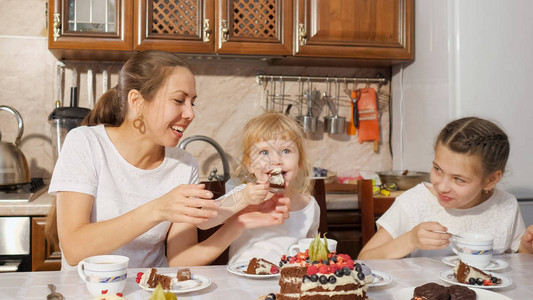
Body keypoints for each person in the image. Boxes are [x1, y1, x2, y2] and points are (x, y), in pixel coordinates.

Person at [47, 50, 289, 270]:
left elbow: (180, 260)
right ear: (137, 101)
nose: (190, 113)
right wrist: (158, 209)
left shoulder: (183, 165)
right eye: (178, 100)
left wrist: (239, 224)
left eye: (192, 102)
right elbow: (74, 249)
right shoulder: (86, 143)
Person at [358, 117, 527, 260]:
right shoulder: (414, 202)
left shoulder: (506, 206)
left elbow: (518, 266)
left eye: (459, 179)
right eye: (437, 169)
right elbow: (365, 259)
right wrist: (410, 240)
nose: (443, 186)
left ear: (491, 180)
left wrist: (527, 248)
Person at [210, 111, 321, 265]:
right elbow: (208, 219)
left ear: (300, 162)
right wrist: (243, 199)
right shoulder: (243, 194)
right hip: (244, 281)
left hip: (290, 282)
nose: (276, 160)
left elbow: (313, 251)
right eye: (264, 152)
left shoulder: (309, 205)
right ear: (249, 165)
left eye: (286, 151)